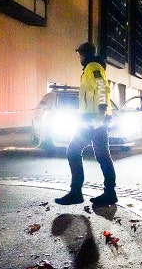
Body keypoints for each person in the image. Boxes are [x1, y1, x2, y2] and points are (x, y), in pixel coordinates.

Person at [55, 42, 118, 206]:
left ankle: (77, 193)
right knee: (101, 155)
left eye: (80, 55)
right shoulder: (89, 68)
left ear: (85, 54)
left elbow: (102, 87)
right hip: (91, 118)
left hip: (94, 118)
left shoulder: (93, 66)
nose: (79, 58)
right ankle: (108, 193)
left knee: (74, 151)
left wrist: (101, 113)